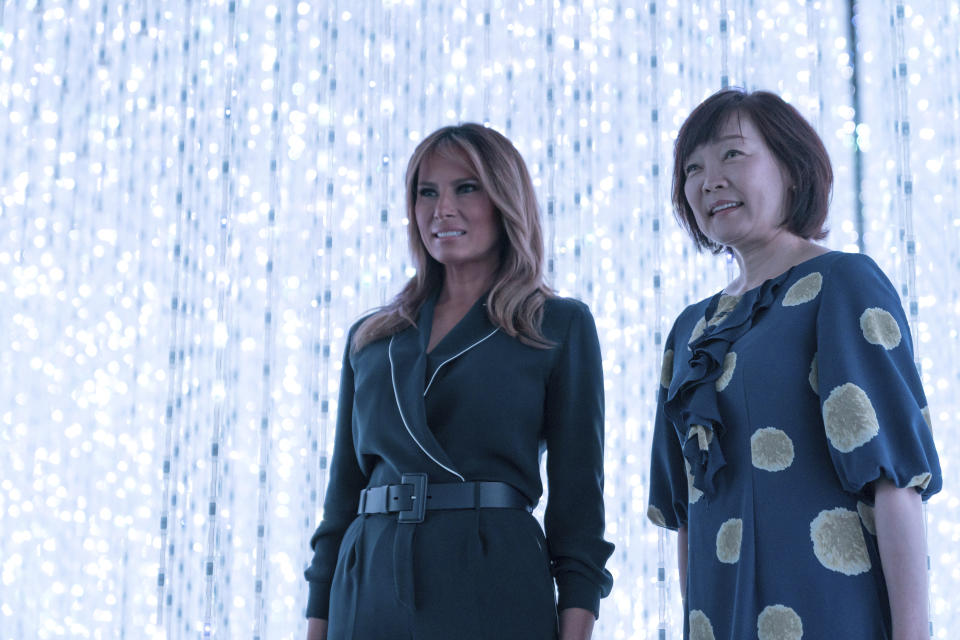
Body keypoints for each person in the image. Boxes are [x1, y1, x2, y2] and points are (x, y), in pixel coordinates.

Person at [647, 88, 942, 640]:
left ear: (792, 165)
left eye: (732, 154)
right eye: (692, 168)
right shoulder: (688, 331)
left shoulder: (844, 283)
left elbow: (894, 482)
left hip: (828, 611)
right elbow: (689, 509)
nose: (708, 180)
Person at [304, 123, 614, 640]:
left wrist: (575, 629)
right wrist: (316, 625)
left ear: (504, 200)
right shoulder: (371, 338)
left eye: (465, 187)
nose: (441, 208)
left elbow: (579, 508)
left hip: (492, 579)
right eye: (427, 192)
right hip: (368, 586)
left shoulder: (555, 325)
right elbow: (340, 502)